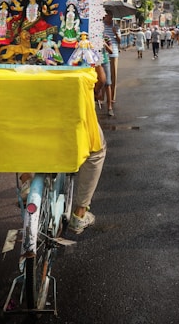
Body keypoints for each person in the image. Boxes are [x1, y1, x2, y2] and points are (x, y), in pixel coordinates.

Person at [67, 63, 108, 234]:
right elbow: (101, 80)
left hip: (32, 104)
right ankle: (80, 213)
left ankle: (26, 180)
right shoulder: (87, 40)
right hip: (73, 107)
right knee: (96, 151)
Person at [102, 9, 121, 102]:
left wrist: (115, 33)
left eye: (110, 16)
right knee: (103, 76)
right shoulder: (101, 26)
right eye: (107, 16)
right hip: (103, 53)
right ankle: (101, 97)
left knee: (113, 76)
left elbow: (119, 41)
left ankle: (112, 97)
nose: (109, 18)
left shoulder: (116, 27)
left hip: (113, 53)